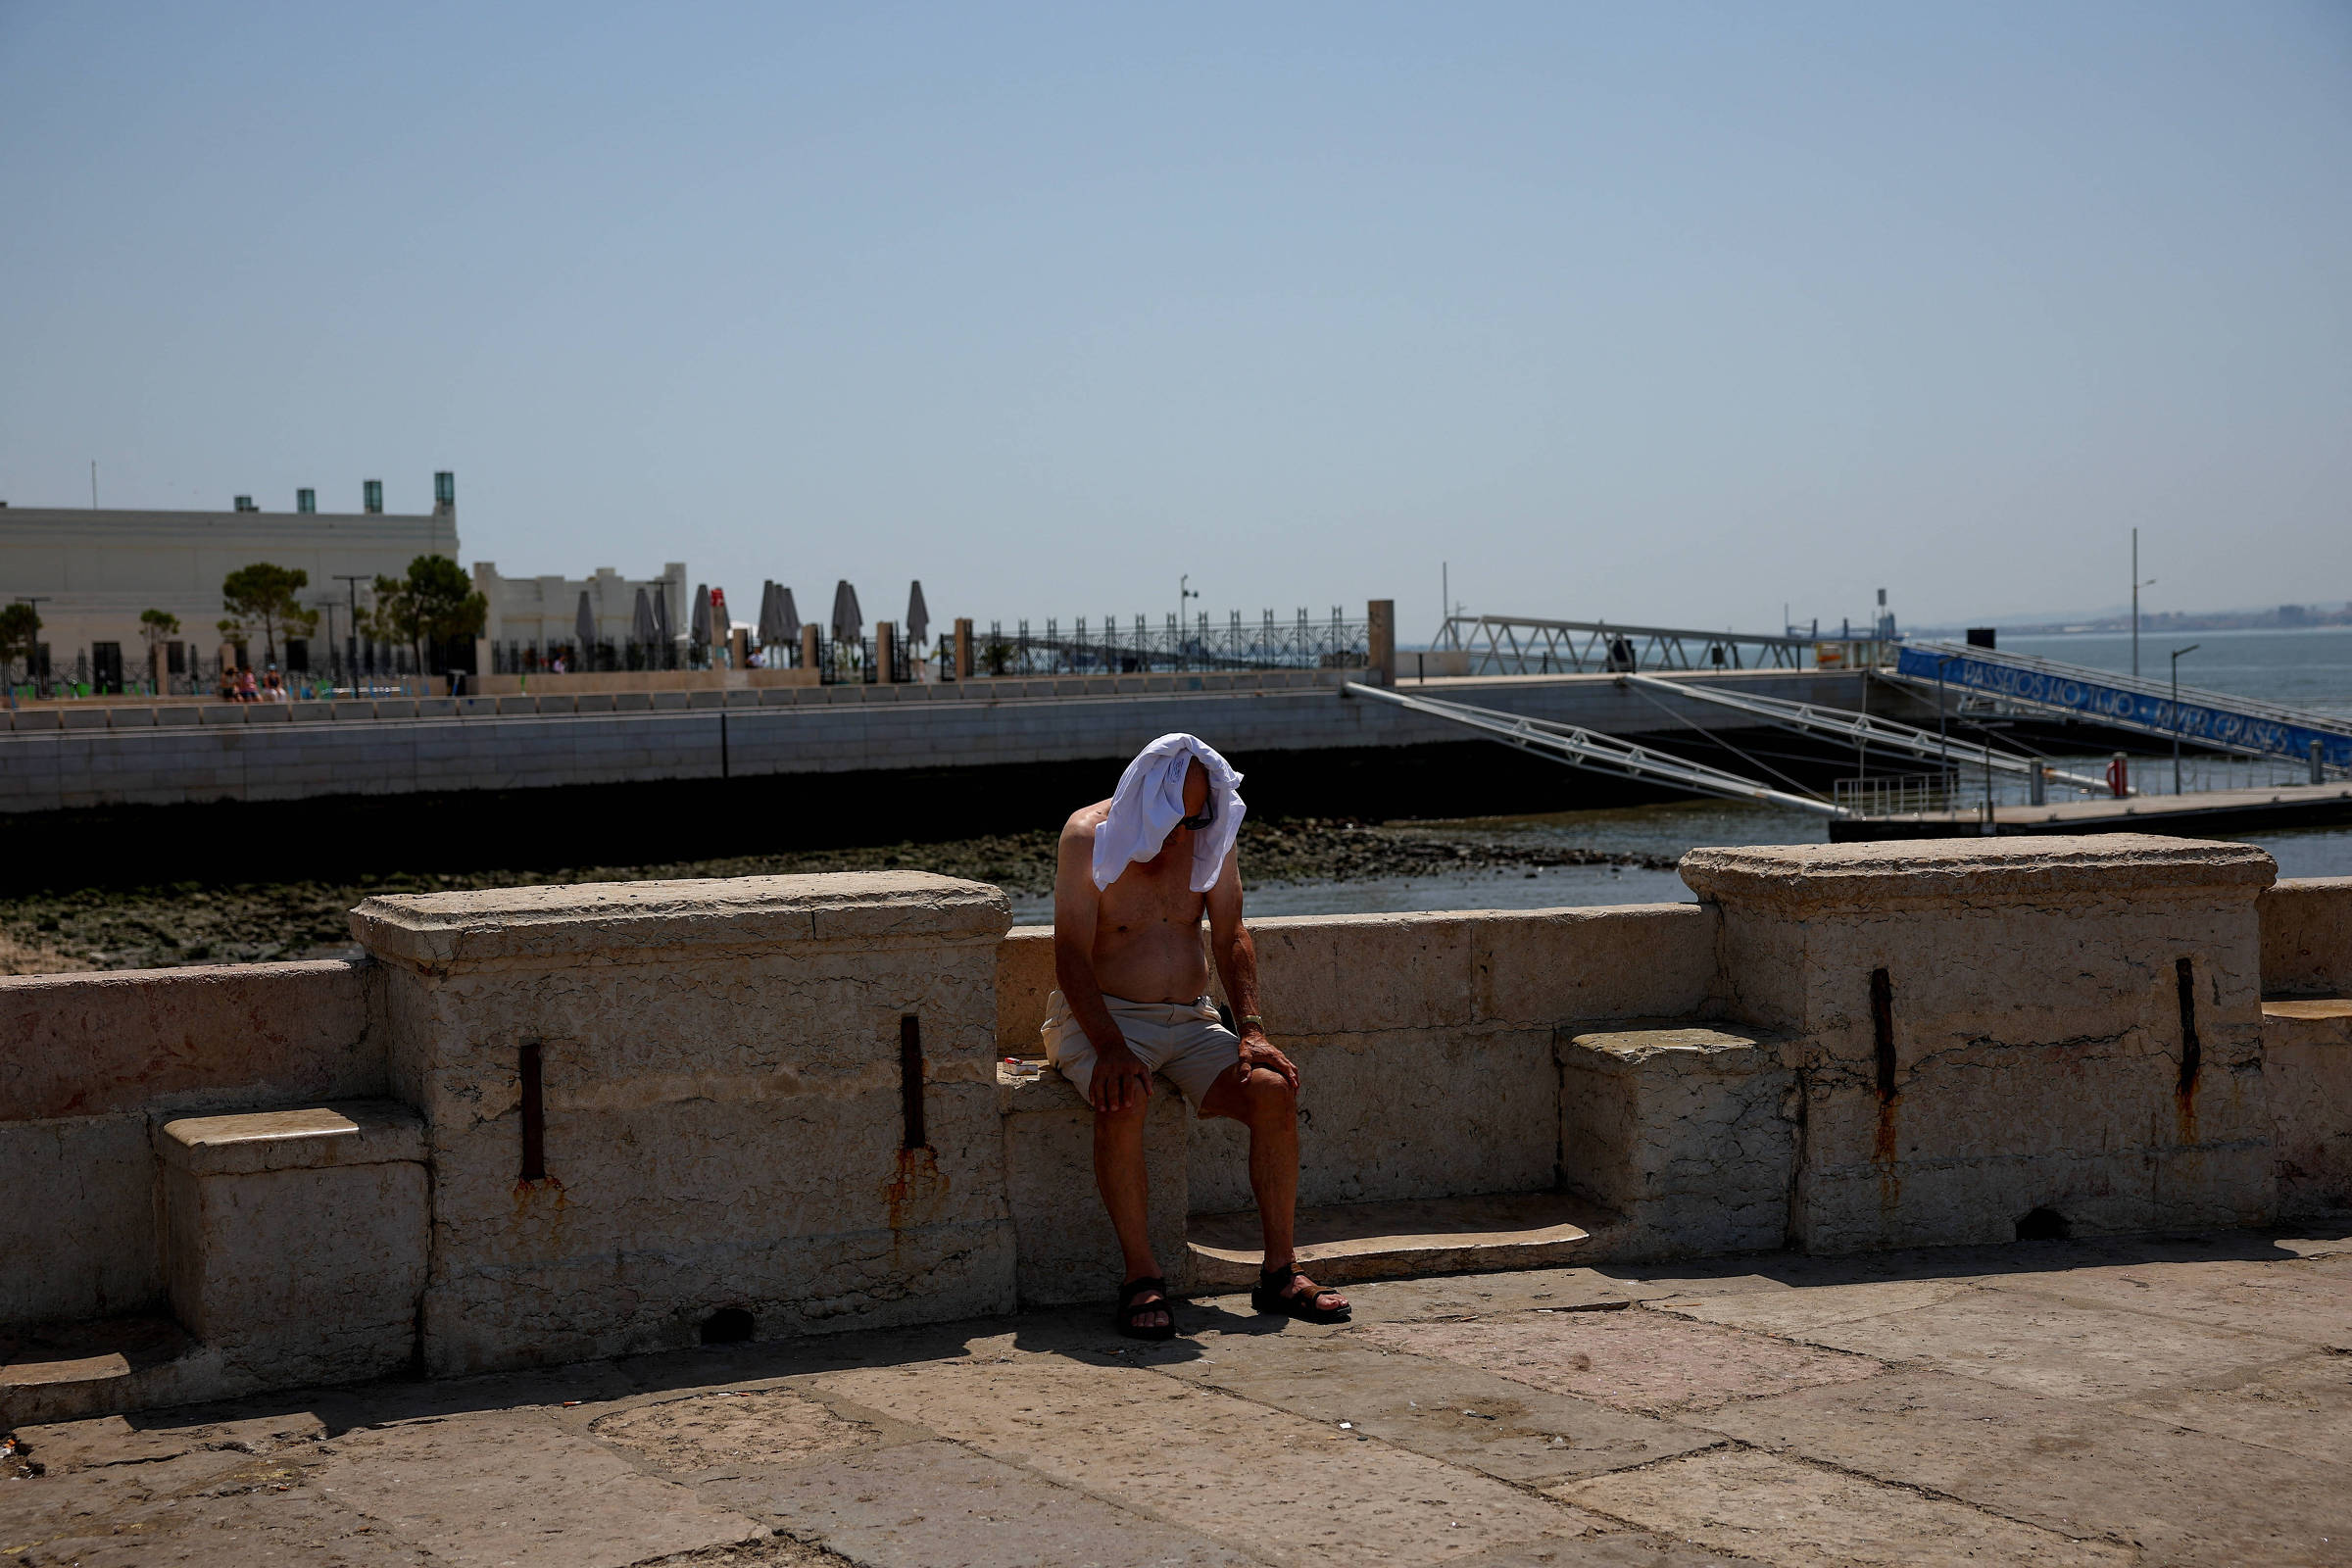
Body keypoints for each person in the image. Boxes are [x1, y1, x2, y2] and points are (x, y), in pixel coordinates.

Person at [1046, 732, 1349, 1340]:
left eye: (1201, 813)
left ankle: (1280, 1274)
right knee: (1124, 1097)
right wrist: (1109, 1046)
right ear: (1146, 801)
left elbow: (1231, 934)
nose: (1189, 828)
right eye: (1176, 815)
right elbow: (1071, 953)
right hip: (1099, 1017)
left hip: (1189, 1016)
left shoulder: (1209, 835)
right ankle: (1141, 1278)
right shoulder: (1089, 837)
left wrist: (1252, 1030)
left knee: (1272, 1089)